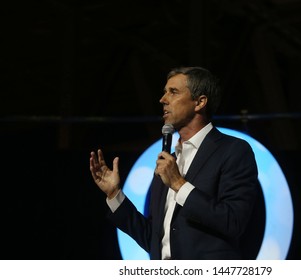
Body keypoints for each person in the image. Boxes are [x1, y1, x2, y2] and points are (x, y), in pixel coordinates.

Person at [90, 66, 265, 260]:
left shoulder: (232, 151)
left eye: (173, 92)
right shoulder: (169, 161)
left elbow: (233, 222)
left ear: (200, 102)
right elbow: (154, 239)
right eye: (164, 92)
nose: (163, 99)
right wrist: (115, 195)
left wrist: (178, 184)